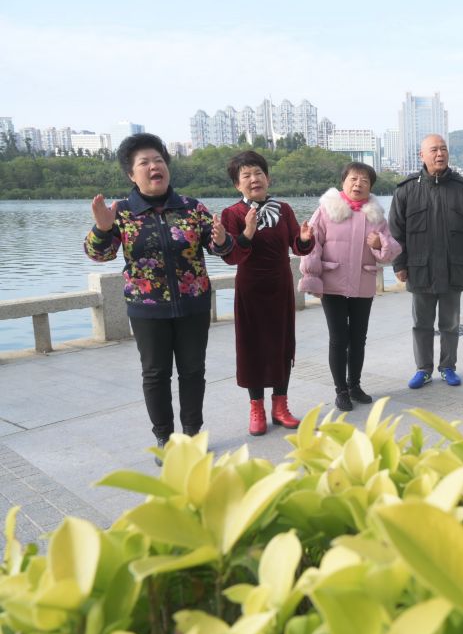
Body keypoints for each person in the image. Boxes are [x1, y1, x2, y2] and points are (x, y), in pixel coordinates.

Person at [84, 133, 233, 463]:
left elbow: (220, 248)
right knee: (155, 374)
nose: (154, 166)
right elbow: (99, 254)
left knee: (192, 371)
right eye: (145, 163)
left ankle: (192, 433)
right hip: (147, 309)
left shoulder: (191, 207)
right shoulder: (122, 212)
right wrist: (102, 229)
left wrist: (223, 238)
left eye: (159, 160)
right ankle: (164, 438)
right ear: (131, 174)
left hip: (193, 305)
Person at [220, 151, 314, 436]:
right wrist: (247, 232)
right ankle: (257, 408)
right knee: (252, 348)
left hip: (280, 287)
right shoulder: (232, 214)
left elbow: (297, 246)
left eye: (258, 173)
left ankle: (280, 406)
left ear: (268, 178)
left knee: (282, 345)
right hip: (250, 289)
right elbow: (231, 256)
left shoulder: (283, 209)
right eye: (246, 175)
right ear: (237, 184)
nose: (254, 179)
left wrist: (304, 239)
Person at [299, 162, 401, 411]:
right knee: (338, 338)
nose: (358, 184)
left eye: (364, 181)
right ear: (343, 182)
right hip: (332, 285)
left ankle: (354, 385)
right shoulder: (326, 210)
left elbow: (392, 250)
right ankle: (341, 390)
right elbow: (312, 245)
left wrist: (379, 243)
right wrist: (312, 276)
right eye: (353, 179)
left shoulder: (376, 216)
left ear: (370, 187)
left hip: (362, 285)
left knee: (358, 338)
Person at [388, 134, 463, 388]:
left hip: (454, 268)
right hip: (420, 269)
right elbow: (395, 232)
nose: (439, 154)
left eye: (443, 149)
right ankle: (423, 369)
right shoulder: (407, 189)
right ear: (422, 155)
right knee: (421, 323)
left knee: (450, 323)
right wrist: (399, 264)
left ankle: (448, 366)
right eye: (433, 150)